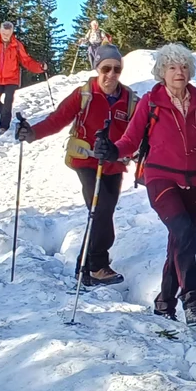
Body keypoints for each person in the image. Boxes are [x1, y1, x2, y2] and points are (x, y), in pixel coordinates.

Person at [95, 43, 196, 326]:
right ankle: (193, 301)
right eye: (172, 67)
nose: (179, 72)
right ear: (162, 72)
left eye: (183, 67)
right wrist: (112, 151)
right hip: (160, 177)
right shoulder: (150, 102)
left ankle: (164, 303)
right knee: (183, 232)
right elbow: (129, 140)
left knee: (179, 240)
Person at [15, 44, 132, 286]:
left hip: (113, 163)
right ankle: (97, 266)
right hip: (86, 160)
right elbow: (58, 120)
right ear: (97, 68)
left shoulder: (130, 100)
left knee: (103, 211)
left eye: (116, 69)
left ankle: (85, 266)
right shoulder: (84, 94)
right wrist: (32, 133)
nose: (111, 75)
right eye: (106, 69)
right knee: (99, 209)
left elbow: (139, 132)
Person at [0, 21, 45, 135]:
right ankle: (5, 113)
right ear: (0, 31)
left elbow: (26, 61)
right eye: (4, 33)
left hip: (11, 78)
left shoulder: (17, 45)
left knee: (8, 100)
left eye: (8, 34)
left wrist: (40, 67)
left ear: (11, 33)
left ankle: (3, 126)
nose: (5, 36)